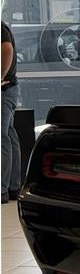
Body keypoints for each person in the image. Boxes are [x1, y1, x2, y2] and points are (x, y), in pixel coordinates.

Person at [2, 20, 20, 204]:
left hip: (4, 89)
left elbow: (7, 49)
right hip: (9, 88)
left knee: (1, 137)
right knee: (9, 134)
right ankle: (14, 187)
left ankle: (1, 189)